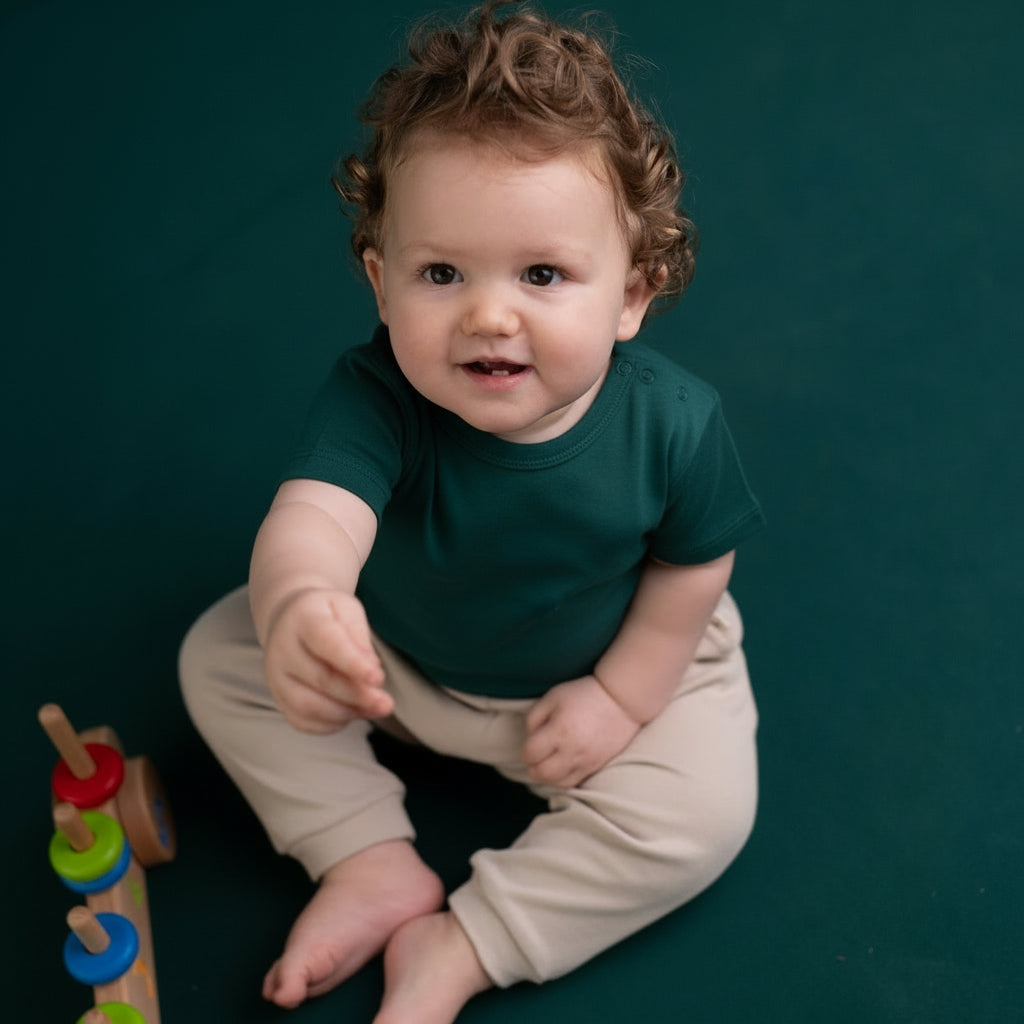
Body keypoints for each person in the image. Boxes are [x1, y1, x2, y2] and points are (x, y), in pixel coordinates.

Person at [180, 2, 765, 1021]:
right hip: (400, 667)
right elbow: (313, 517)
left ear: (631, 292)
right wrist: (301, 607)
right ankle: (368, 862)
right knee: (220, 654)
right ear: (380, 280)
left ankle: (465, 943)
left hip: (605, 669)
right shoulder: (375, 398)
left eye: (543, 274)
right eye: (441, 272)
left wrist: (624, 698)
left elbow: (689, 568)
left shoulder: (672, 421)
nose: (489, 314)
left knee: (703, 811)